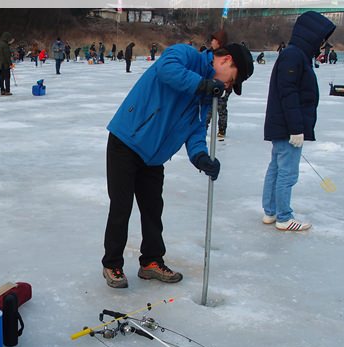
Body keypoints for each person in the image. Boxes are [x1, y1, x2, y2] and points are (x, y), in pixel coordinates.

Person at [100, 41, 253, 288]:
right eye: (232, 80)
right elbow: (167, 70)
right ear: (225, 61)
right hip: (127, 141)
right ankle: (112, 264)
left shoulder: (206, 97)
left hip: (154, 157)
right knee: (121, 207)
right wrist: (202, 85)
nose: (228, 86)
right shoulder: (184, 55)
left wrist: (201, 158)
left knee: (152, 210)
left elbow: (195, 130)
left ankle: (151, 262)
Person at [262, 11, 335, 232]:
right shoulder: (294, 56)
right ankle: (284, 217)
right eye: (322, 39)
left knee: (276, 169)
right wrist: (296, 128)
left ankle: (271, 211)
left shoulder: (296, 55)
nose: (323, 45)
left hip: (283, 126)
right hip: (287, 127)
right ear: (312, 35)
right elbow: (289, 93)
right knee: (287, 172)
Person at [205, 30, 231, 141]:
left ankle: (221, 129)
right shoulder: (209, 53)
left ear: (219, 42)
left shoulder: (226, 55)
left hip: (223, 87)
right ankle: (203, 128)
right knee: (207, 108)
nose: (211, 42)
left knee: (221, 108)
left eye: (213, 40)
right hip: (210, 85)